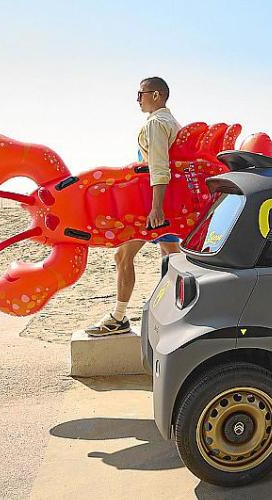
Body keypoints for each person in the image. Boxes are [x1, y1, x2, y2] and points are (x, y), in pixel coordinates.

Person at [86, 77, 182, 336]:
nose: (138, 99)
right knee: (172, 258)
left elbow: (159, 167)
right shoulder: (171, 122)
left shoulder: (156, 124)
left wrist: (156, 208)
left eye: (141, 93)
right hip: (167, 201)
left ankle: (118, 318)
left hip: (151, 203)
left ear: (156, 95)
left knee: (123, 256)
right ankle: (175, 313)